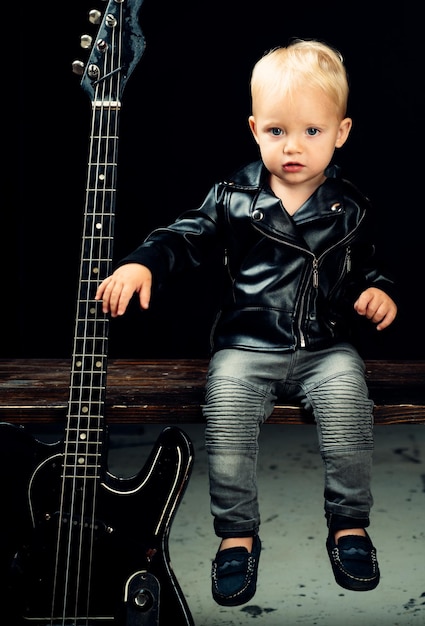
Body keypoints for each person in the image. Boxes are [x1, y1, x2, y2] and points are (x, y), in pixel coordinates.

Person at [95, 39, 398, 606]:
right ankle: (237, 535)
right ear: (255, 129)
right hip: (247, 343)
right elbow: (184, 236)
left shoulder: (350, 207)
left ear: (341, 132)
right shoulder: (234, 197)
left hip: (326, 345)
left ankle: (349, 525)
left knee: (350, 406)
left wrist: (378, 292)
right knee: (227, 412)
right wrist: (142, 260)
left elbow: (367, 269)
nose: (293, 146)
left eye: (312, 131)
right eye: (277, 131)